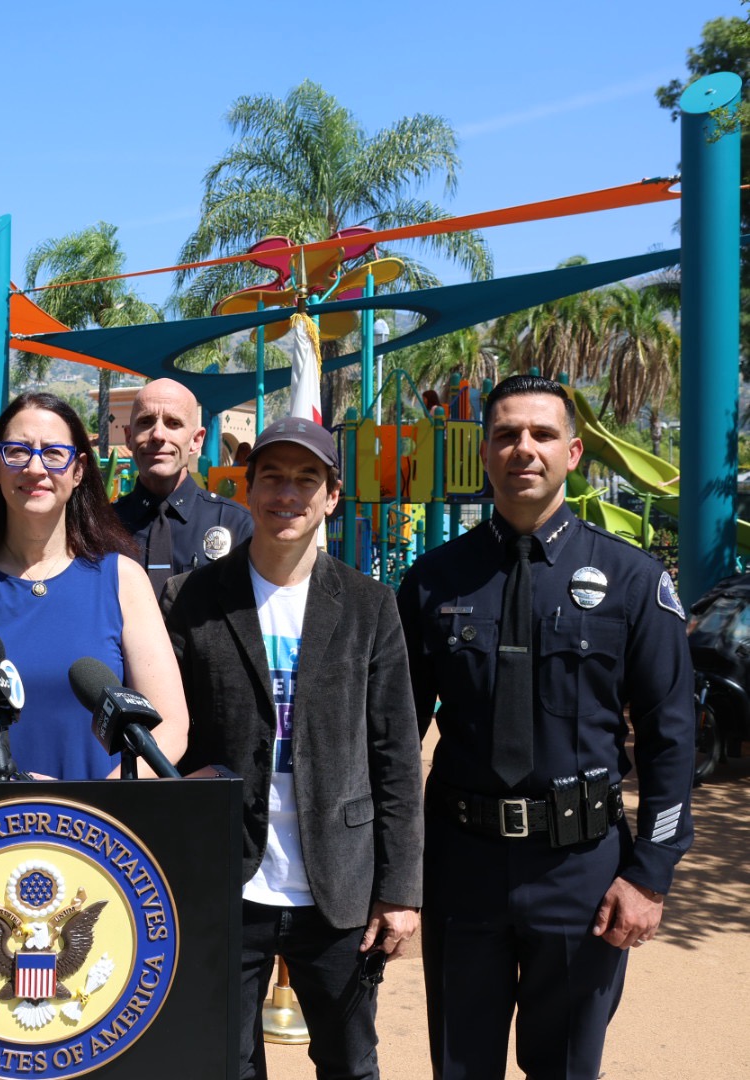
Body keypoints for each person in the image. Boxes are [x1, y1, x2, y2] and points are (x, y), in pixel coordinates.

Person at [397, 375, 694, 1080]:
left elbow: (670, 734)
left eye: (540, 434)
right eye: (505, 434)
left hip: (581, 868)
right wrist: (390, 872)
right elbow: (393, 737)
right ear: (485, 451)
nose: (522, 449)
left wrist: (649, 876)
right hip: (462, 864)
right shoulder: (433, 581)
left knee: (564, 1069)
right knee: (461, 1068)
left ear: (573, 450)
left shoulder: (629, 579)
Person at [163, 416, 423, 1080]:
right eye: (272, 477)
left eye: (307, 479)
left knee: (348, 1062)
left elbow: (395, 754)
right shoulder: (198, 596)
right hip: (229, 876)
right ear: (247, 490)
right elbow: (171, 737)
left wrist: (399, 890)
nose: (288, 494)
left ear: (332, 496)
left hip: (338, 882)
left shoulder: (369, 605)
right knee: (229, 1062)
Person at [0, 391, 188, 780]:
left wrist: (100, 801)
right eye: (17, 452)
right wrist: (14, 793)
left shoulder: (123, 578)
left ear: (78, 471)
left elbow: (171, 724)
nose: (35, 468)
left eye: (54, 453)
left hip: (100, 830)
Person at [114, 378, 253, 597]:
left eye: (173, 423)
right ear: (129, 437)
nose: (158, 435)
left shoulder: (236, 525)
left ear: (196, 440)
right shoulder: (101, 526)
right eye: (146, 421)